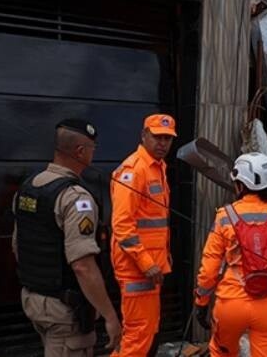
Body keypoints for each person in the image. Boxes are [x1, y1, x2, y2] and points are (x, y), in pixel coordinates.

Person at [13, 119, 121, 356]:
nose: (94, 153)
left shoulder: (28, 187)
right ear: (80, 151)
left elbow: (18, 245)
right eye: (93, 148)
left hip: (34, 300)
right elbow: (83, 265)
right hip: (64, 310)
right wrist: (110, 316)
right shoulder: (75, 198)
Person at [194, 152, 267, 357]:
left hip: (231, 305)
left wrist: (201, 302)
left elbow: (209, 267)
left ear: (240, 184)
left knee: (221, 353)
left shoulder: (225, 216)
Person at [110, 114, 177, 357]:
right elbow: (122, 225)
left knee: (147, 332)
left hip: (150, 267)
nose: (163, 143)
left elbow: (153, 223)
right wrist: (147, 262)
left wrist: (161, 258)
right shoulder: (135, 170)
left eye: (167, 138)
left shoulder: (157, 167)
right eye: (157, 137)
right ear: (143, 135)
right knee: (138, 336)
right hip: (137, 268)